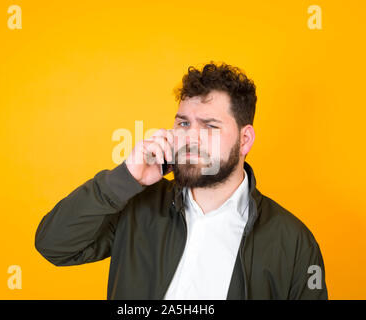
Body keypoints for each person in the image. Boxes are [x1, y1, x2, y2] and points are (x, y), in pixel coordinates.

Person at [35, 61, 328, 300]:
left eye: (210, 126)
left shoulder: (293, 242)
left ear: (245, 139)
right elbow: (54, 245)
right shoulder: (137, 204)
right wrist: (124, 179)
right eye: (184, 123)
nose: (190, 138)